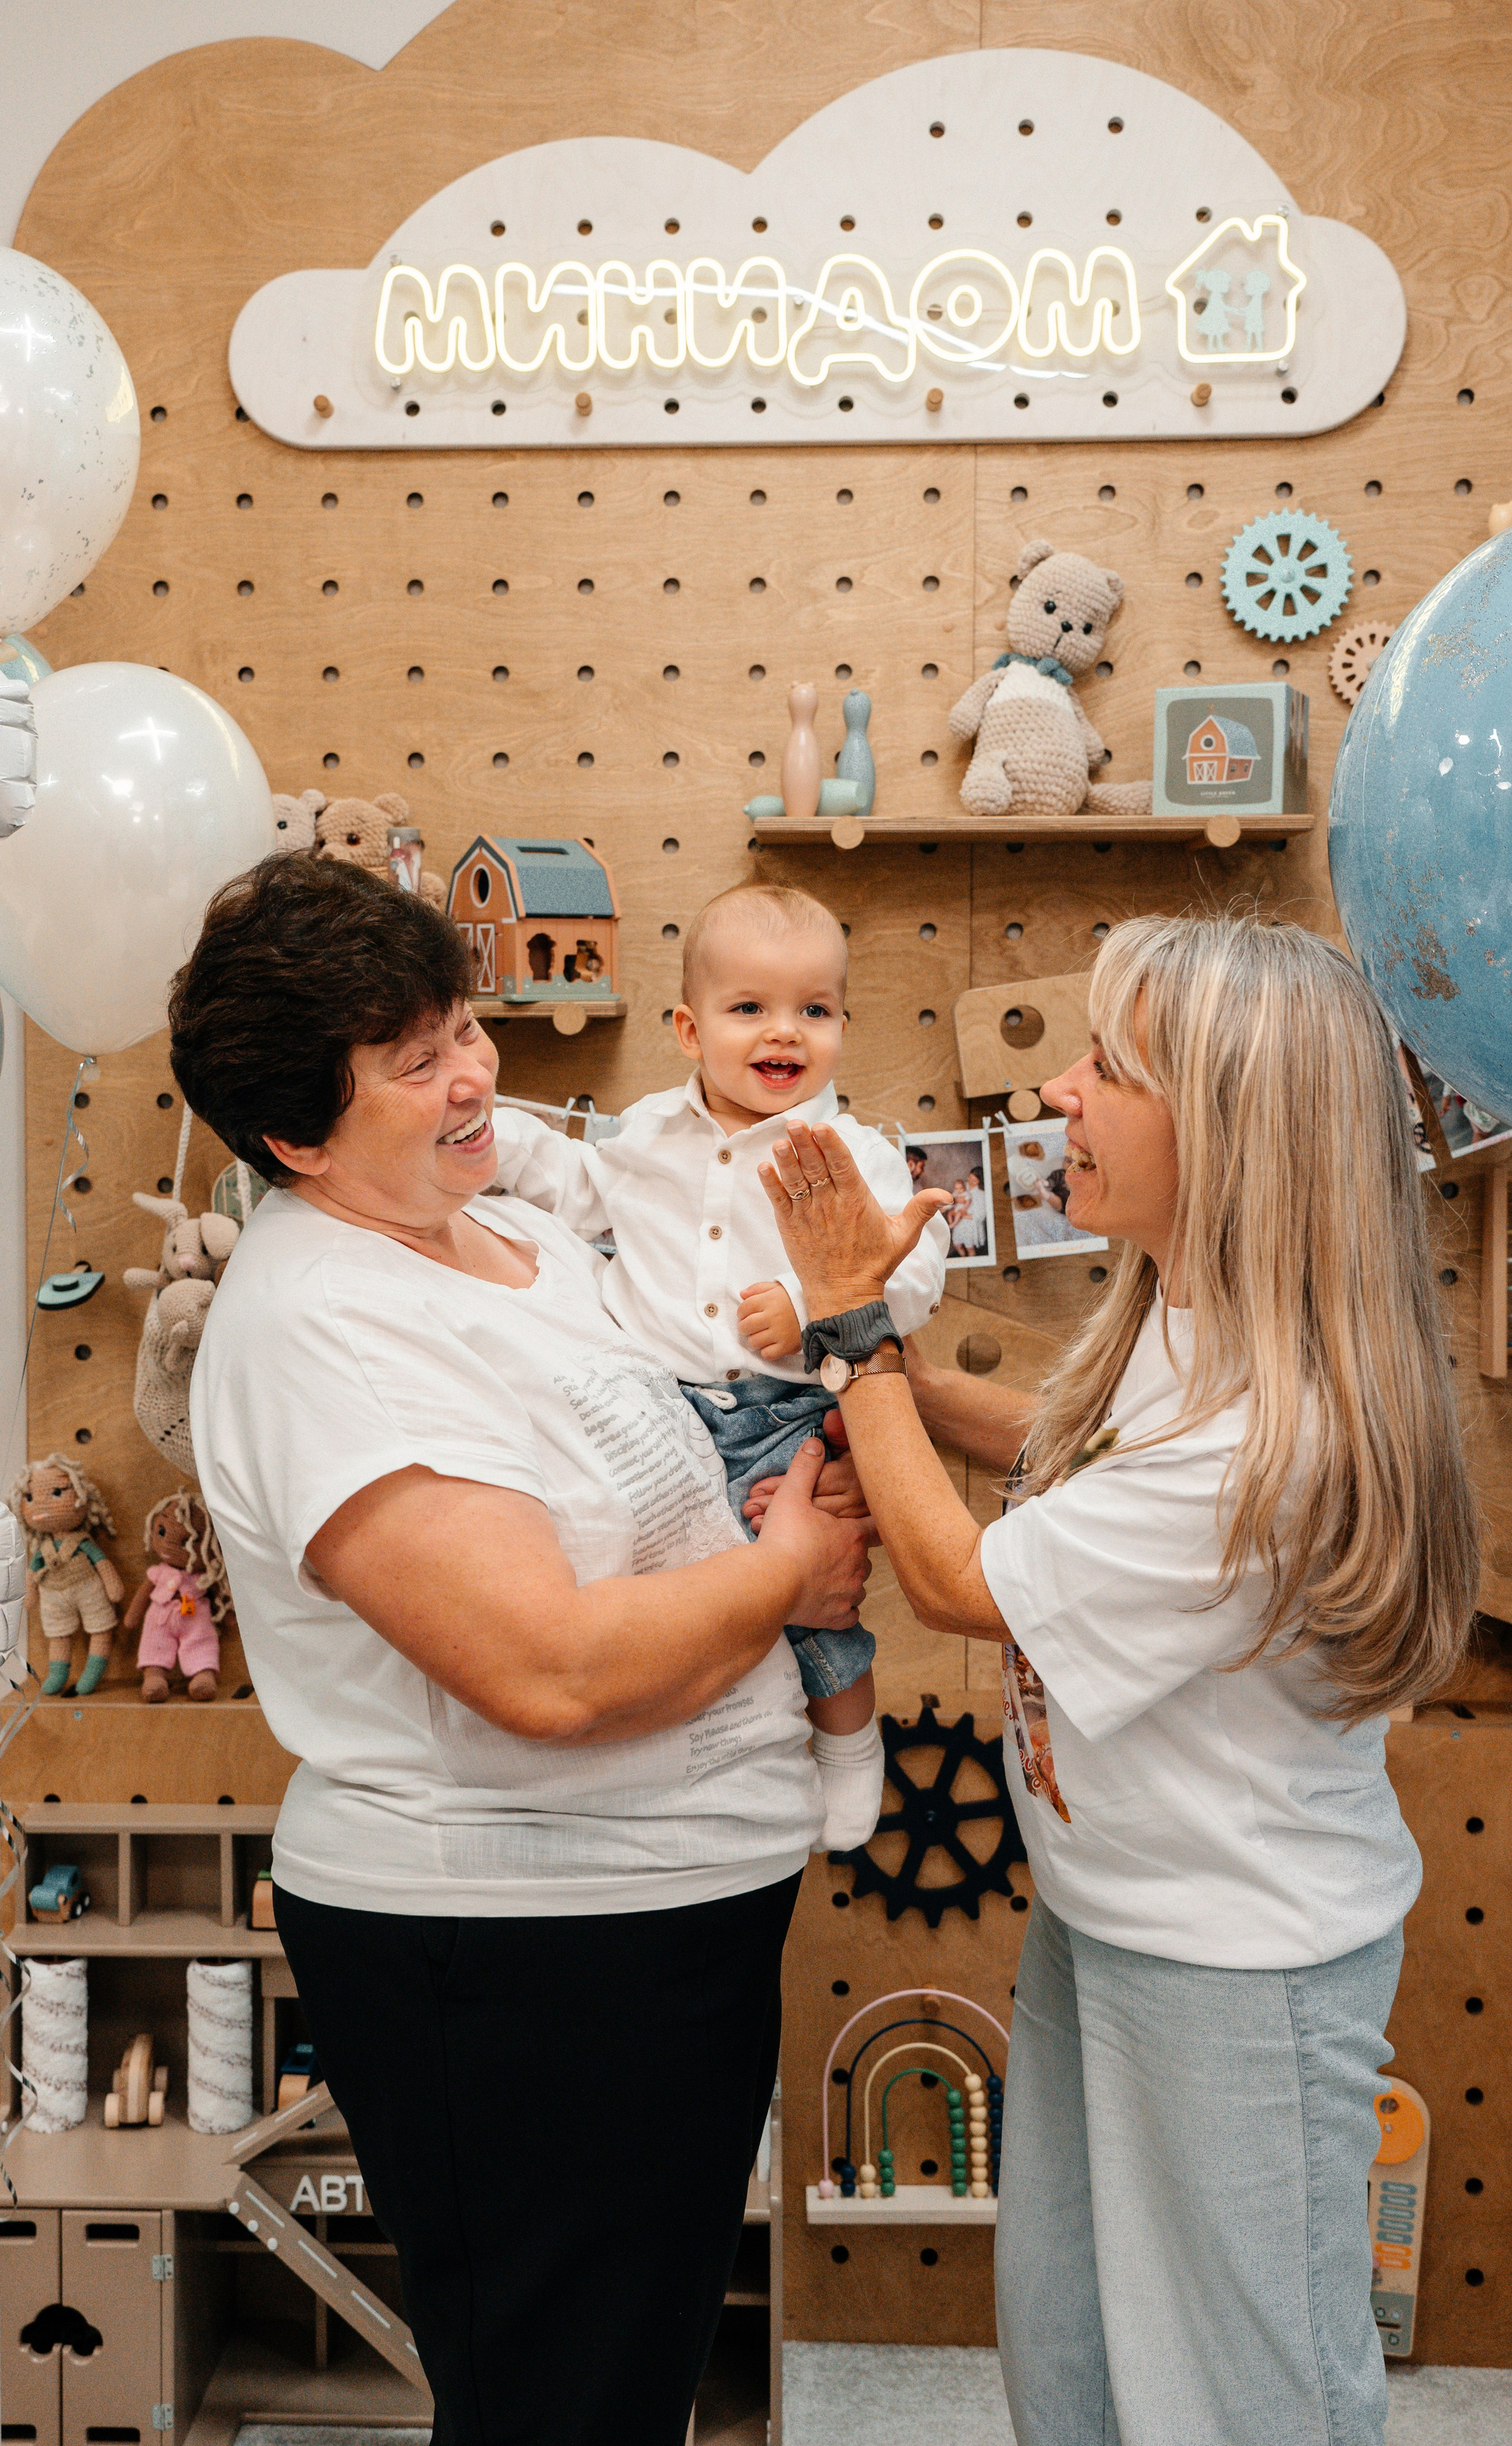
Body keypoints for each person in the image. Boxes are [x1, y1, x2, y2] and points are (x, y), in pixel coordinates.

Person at [169, 855, 875, 2446]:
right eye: (412, 1062)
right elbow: (546, 1666)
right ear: (295, 1134)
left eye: (464, 1024)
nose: (474, 1072)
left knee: (619, 2384)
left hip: (659, 1911)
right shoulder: (320, 1328)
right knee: (558, 2402)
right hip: (517, 1948)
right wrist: (789, 1569)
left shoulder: (514, 1237)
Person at [752, 911, 1477, 2446]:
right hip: (1111, 1914)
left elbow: (965, 1585)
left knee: (1238, 2396)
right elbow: (1068, 1462)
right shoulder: (1187, 1315)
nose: (1054, 1091)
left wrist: (849, 1342)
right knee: (1073, 2363)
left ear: (1226, 1132)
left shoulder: (1261, 1451)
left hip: (1233, 1965)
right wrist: (897, 1370)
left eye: (1109, 1065)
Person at [495, 881, 946, 1849]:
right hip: (655, 1406)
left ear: (841, 1024)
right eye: (751, 1008)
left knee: (813, 1594)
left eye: (813, 1010)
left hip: (782, 1413)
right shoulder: (649, 1130)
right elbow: (575, 1188)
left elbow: (912, 1271)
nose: (785, 1032)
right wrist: (491, 1136)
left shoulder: (851, 1152)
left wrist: (818, 1303)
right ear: (690, 1030)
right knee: (658, 1587)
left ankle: (850, 1741)